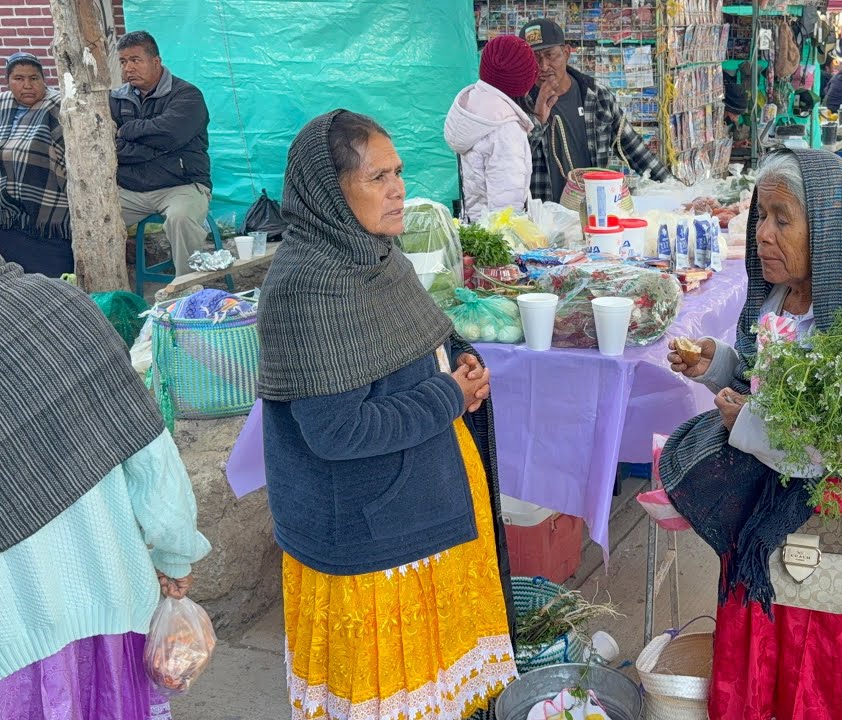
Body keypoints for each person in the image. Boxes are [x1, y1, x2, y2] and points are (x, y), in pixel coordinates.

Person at [256, 110, 517, 719]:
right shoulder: (308, 287)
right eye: (377, 177)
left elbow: (421, 338)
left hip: (417, 508)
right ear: (330, 191)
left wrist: (462, 359)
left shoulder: (379, 256)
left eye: (397, 172)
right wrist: (450, 395)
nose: (398, 188)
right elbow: (337, 431)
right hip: (371, 538)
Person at [662, 147, 842, 720]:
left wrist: (745, 421)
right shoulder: (779, 298)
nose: (763, 235)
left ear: (827, 227)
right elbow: (760, 379)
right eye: (760, 216)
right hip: (761, 513)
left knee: (816, 664)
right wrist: (717, 364)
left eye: (782, 218)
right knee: (764, 648)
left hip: (820, 524)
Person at [0, 258, 211, 718]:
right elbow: (151, 457)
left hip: (12, 635)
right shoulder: (64, 309)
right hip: (112, 605)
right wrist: (174, 555)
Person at [520, 19, 671, 202]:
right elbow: (511, 162)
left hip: (592, 210)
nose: (543, 66)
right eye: (534, 58)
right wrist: (537, 120)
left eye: (550, 55)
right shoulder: (520, 103)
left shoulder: (597, 96)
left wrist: (675, 189)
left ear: (566, 53)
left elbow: (635, 150)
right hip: (543, 216)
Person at [109, 31, 212, 278]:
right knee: (93, 217)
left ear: (156, 61)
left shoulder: (187, 95)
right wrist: (153, 147)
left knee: (180, 218)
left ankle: (188, 290)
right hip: (131, 189)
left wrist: (128, 130)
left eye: (136, 59)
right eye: (123, 61)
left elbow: (171, 136)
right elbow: (108, 147)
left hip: (181, 186)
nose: (128, 68)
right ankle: (106, 287)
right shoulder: (115, 99)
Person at [445, 35, 540, 223]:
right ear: (522, 83)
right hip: (497, 239)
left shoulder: (474, 110)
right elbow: (506, 209)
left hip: (475, 225)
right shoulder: (505, 128)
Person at [0, 52, 71, 277]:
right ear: (8, 81)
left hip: (49, 217)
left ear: (44, 80)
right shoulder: (3, 105)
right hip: (8, 217)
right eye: (18, 79)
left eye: (34, 78)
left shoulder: (58, 105)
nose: (27, 85)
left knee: (52, 278)